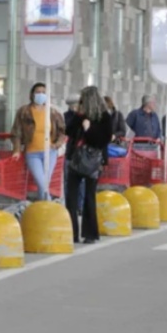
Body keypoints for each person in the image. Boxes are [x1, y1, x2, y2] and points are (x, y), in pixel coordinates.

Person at [65, 86, 111, 244]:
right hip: (76, 159)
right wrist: (79, 117)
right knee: (71, 196)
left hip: (93, 160)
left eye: (83, 99)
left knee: (89, 197)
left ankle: (90, 233)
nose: (80, 102)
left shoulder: (104, 117)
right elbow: (69, 131)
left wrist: (88, 129)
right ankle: (72, 232)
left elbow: (102, 140)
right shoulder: (80, 115)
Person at [10, 82, 66, 201]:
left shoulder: (53, 112)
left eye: (44, 93)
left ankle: (43, 210)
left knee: (45, 182)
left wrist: (56, 145)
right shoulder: (24, 111)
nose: (41, 95)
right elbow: (16, 132)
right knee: (42, 182)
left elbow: (62, 131)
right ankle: (49, 207)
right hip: (32, 152)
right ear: (32, 94)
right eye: (38, 92)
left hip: (50, 152)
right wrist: (17, 150)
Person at [63, 94, 84, 213]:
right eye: (73, 105)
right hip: (70, 152)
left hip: (82, 153)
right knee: (68, 180)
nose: (75, 107)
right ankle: (69, 205)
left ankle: (80, 205)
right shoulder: (66, 117)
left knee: (82, 181)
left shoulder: (86, 117)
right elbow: (67, 131)